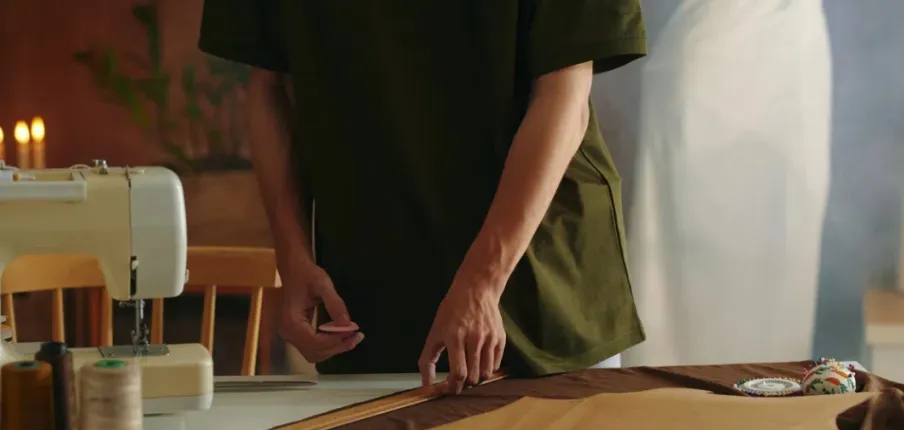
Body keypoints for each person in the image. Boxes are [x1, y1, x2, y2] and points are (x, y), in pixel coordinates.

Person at [198, 1, 648, 393]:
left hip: (540, 285)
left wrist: (482, 282)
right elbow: (269, 86)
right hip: (373, 292)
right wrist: (291, 255)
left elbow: (564, 92)